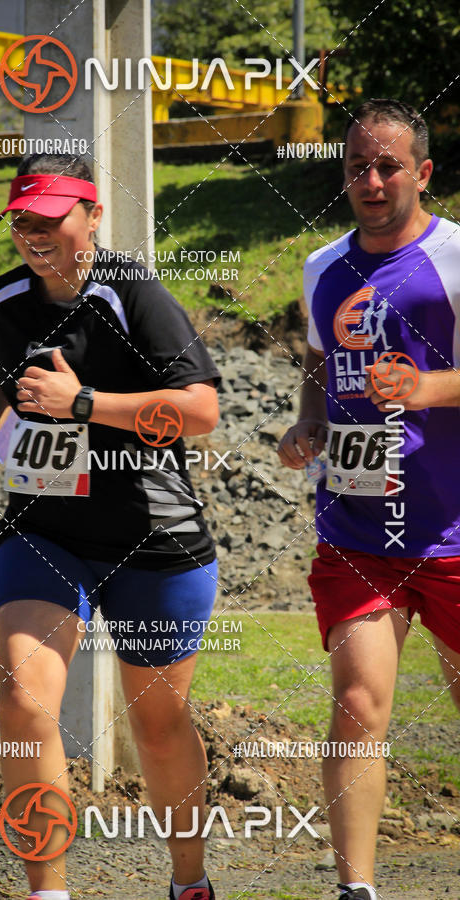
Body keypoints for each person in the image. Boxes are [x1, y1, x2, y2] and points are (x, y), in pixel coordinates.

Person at [0, 153, 220, 900]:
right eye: (22, 221)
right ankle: (50, 893)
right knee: (23, 700)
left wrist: (83, 403)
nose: (34, 235)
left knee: (159, 727)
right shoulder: (6, 296)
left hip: (152, 540)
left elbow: (200, 411)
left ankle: (189, 882)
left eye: (51, 218)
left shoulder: (132, 293)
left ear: (93, 216)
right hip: (45, 530)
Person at [277, 98, 460, 900]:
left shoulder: (456, 256)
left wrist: (427, 387)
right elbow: (318, 367)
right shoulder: (322, 267)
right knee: (356, 703)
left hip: (454, 529)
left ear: (422, 171)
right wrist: (308, 424)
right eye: (358, 166)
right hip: (358, 529)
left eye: (388, 166)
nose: (372, 180)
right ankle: (356, 889)